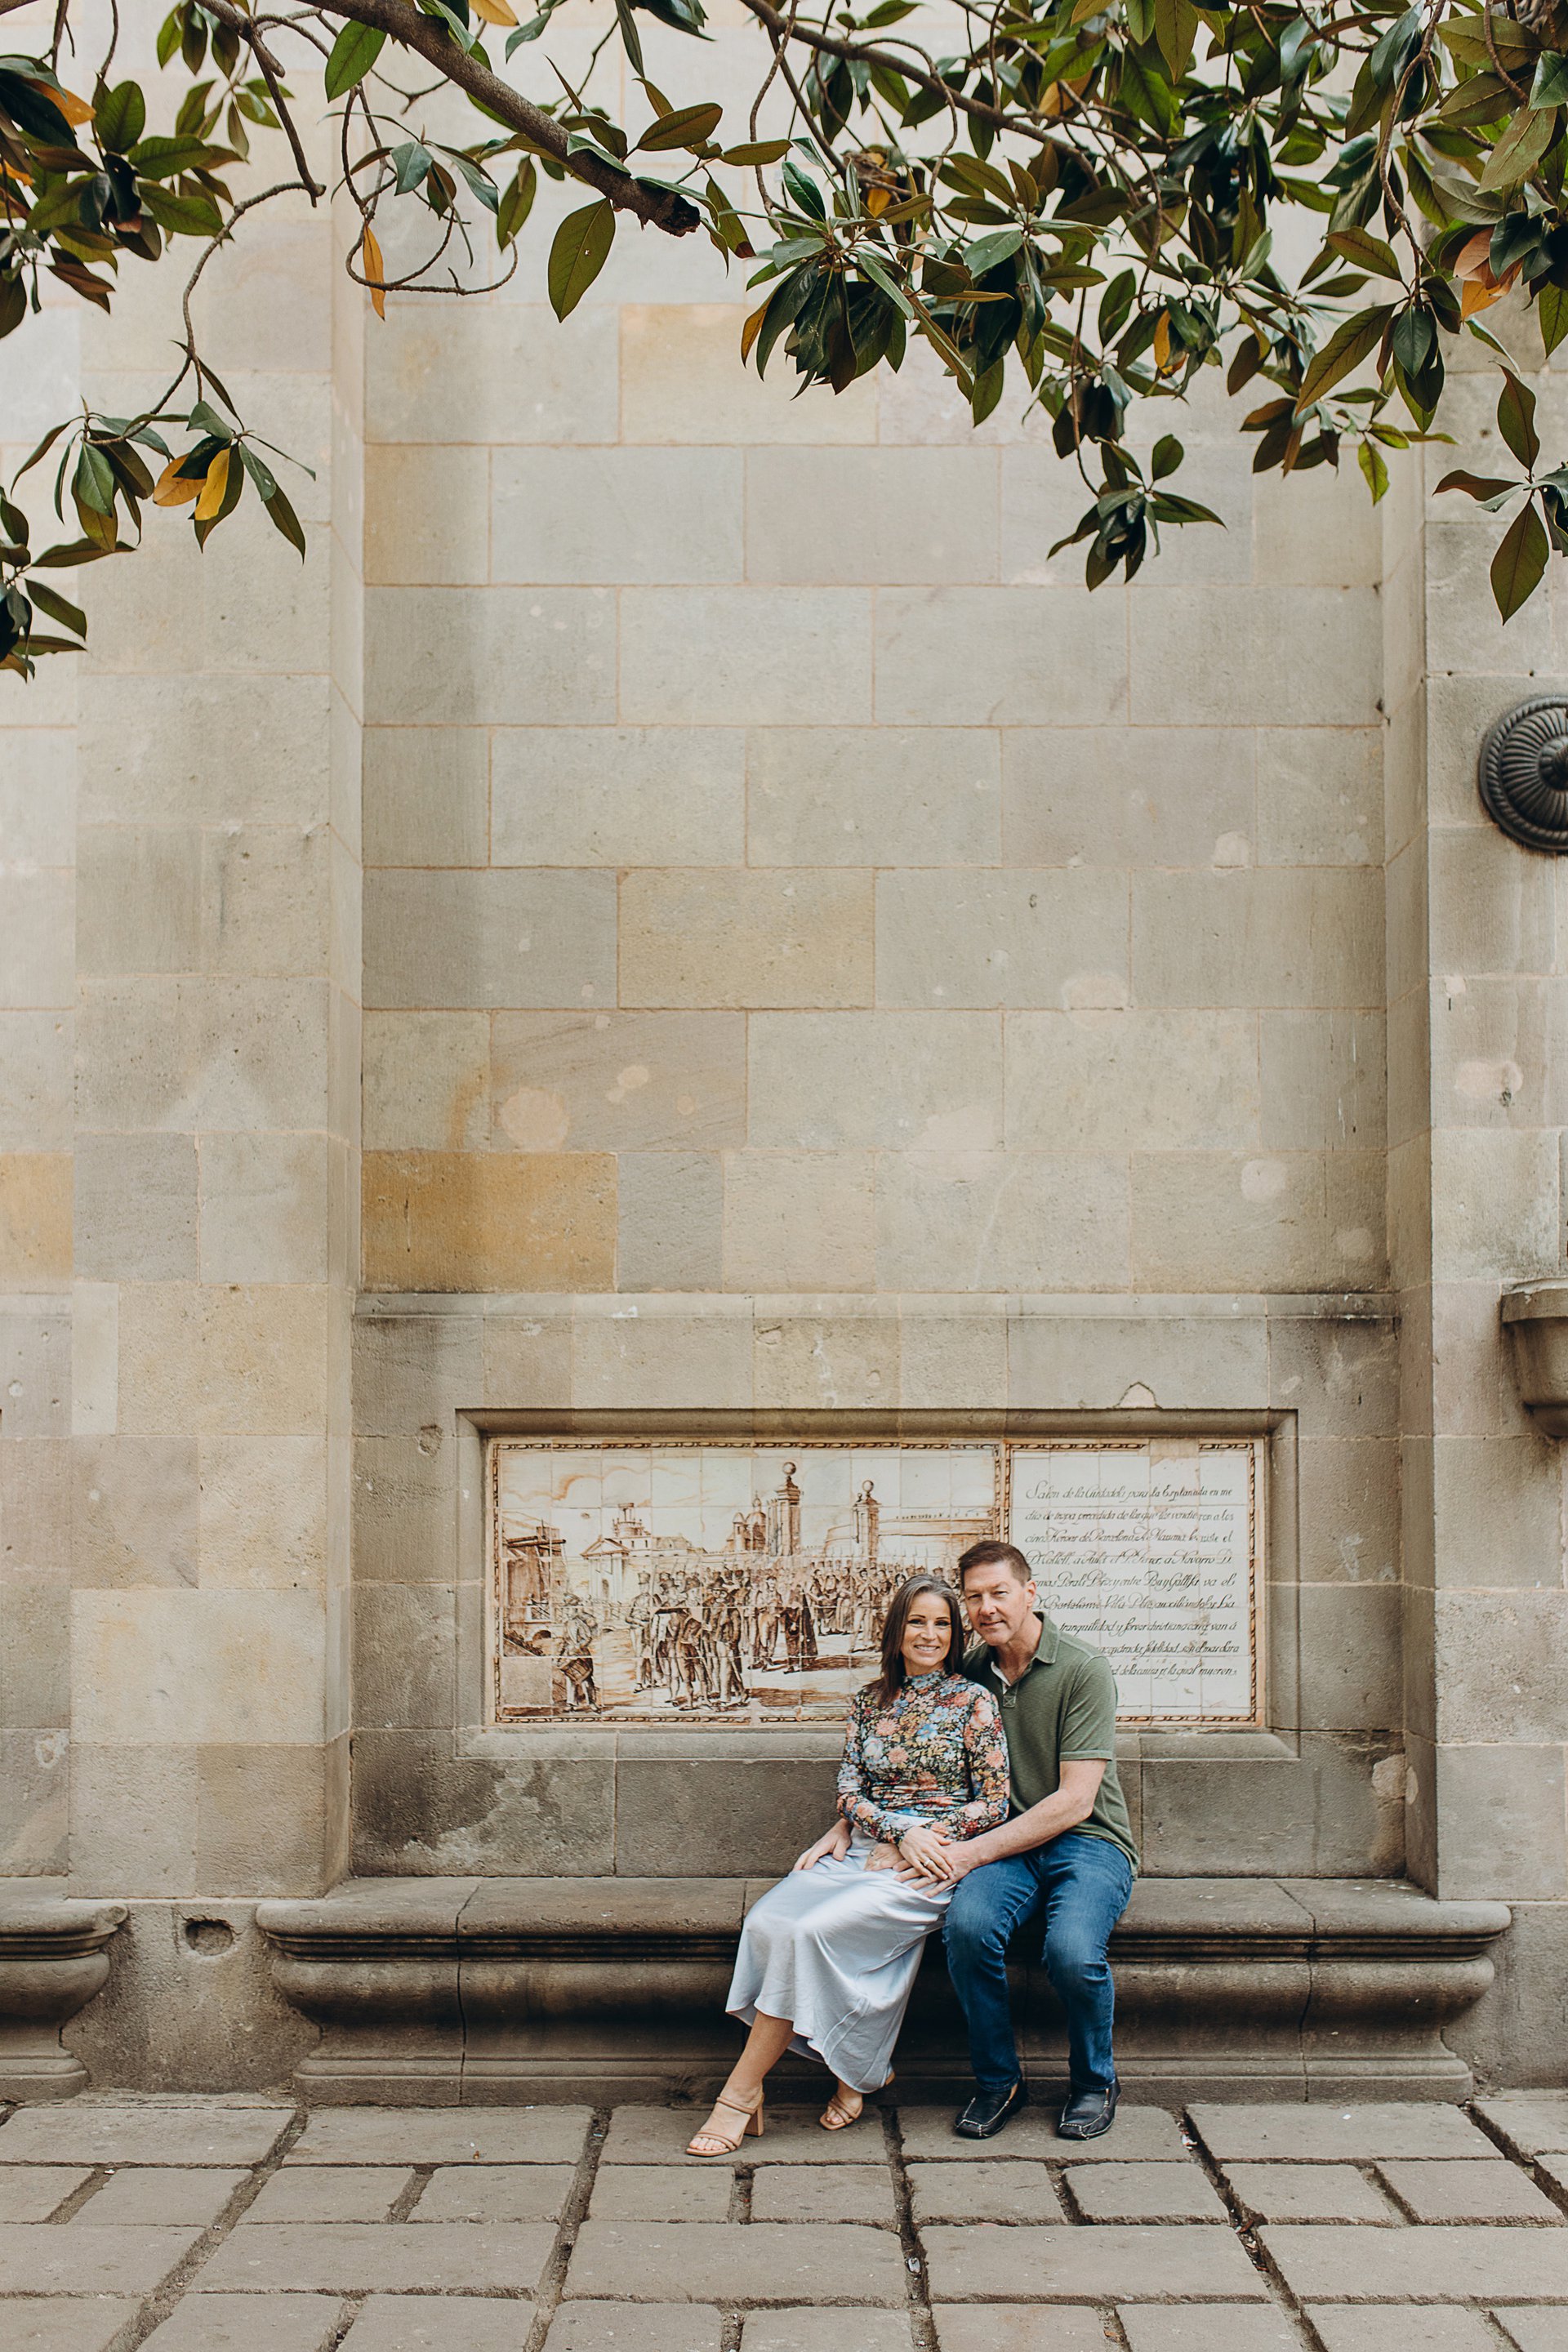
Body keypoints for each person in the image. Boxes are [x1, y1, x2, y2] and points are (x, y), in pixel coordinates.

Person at [685, 1575, 1009, 2156]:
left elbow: (994, 1803)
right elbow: (848, 1791)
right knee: (767, 1923)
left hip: (930, 1863)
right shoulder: (869, 1700)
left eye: (942, 1623)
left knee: (808, 1934)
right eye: (917, 1621)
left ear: (956, 1635)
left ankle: (740, 2094)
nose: (929, 1634)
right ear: (896, 1629)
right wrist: (893, 1830)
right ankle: (859, 2071)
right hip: (864, 1847)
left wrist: (921, 1837)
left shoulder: (974, 1701)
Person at [933, 1539, 1139, 2144]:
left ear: (1030, 1592)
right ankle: (999, 2082)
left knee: (1071, 1951)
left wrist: (969, 1854)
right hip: (1007, 1844)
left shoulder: (1082, 1667)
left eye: (1000, 1592)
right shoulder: (967, 1674)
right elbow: (908, 1760)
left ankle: (1095, 2083)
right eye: (974, 1597)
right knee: (968, 1930)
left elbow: (1076, 1800)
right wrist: (851, 1822)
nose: (987, 1608)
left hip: (1089, 1841)